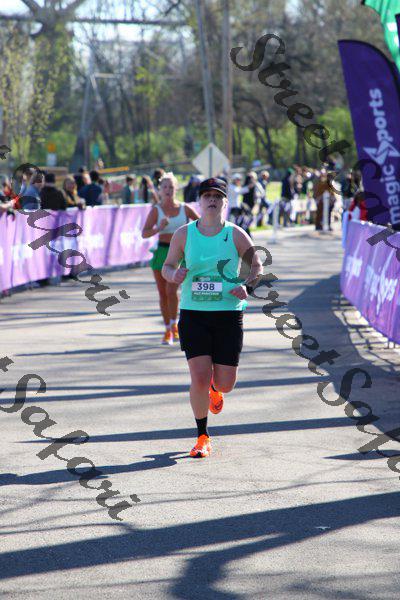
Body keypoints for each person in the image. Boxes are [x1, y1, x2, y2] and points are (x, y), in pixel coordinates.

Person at [161, 177, 263, 458]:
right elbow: (167, 266)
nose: (212, 200)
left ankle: (217, 389)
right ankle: (202, 436)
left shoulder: (236, 234)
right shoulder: (184, 234)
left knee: (226, 383)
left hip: (228, 314)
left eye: (217, 196)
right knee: (199, 377)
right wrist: (173, 274)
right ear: (199, 201)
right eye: (207, 196)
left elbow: (257, 265)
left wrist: (247, 286)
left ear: (225, 202)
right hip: (194, 314)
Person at [142, 172, 200, 345]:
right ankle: (167, 329)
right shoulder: (156, 210)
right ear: (160, 190)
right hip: (162, 252)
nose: (168, 190)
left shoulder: (184, 208)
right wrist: (158, 228)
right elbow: (144, 233)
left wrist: (190, 234)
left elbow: (201, 225)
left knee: (171, 291)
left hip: (179, 254)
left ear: (176, 189)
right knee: (162, 293)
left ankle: (175, 325)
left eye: (171, 187)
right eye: (165, 187)